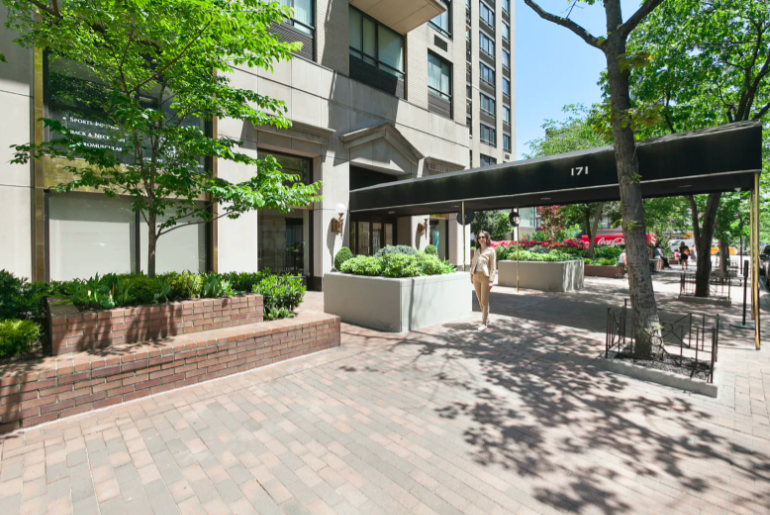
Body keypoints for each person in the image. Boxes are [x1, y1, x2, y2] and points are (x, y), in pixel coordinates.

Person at [470, 230, 496, 331]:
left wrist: (491, 280)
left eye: (483, 237)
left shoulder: (491, 250)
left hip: (485, 277)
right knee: (480, 300)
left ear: (486, 238)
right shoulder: (477, 250)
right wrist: (471, 275)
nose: (481, 239)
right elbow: (473, 263)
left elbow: (493, 266)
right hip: (476, 276)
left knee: (484, 301)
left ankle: (484, 323)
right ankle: (486, 317)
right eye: (479, 237)